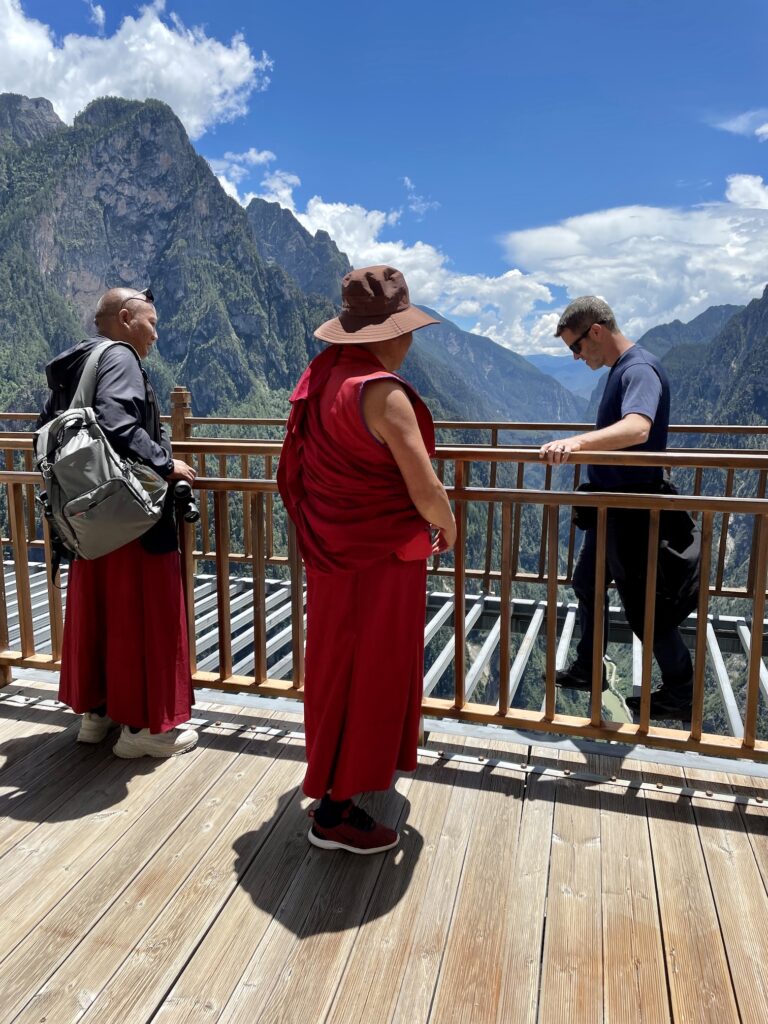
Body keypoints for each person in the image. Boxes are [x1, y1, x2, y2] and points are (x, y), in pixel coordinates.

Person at [277, 265, 456, 854]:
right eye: (406, 329)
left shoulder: (324, 378)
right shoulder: (385, 394)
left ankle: (336, 779)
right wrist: (447, 525)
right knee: (373, 673)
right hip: (379, 562)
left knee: (336, 672)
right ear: (387, 333)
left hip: (334, 553)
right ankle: (334, 812)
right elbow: (426, 488)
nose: (410, 340)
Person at [37, 287, 198, 756]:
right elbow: (116, 420)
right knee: (148, 615)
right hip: (130, 516)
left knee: (102, 610)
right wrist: (166, 465)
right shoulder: (121, 357)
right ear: (125, 318)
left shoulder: (78, 365)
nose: (156, 333)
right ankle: (148, 730)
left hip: (89, 517)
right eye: (152, 322)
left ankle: (97, 713)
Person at [539, 295, 699, 719]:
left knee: (645, 608)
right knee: (587, 583)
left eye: (576, 346)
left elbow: (637, 426)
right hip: (611, 507)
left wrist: (576, 443)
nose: (575, 357)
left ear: (596, 332)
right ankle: (591, 668)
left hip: (630, 511)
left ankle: (682, 690)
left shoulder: (638, 369)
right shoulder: (621, 369)